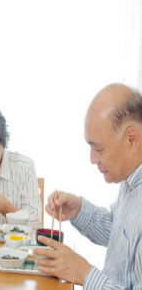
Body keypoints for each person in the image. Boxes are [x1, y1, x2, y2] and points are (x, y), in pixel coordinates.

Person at [34, 84, 142, 288]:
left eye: (99, 149)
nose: (93, 159)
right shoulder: (131, 181)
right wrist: (79, 210)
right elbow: (122, 236)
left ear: (131, 140)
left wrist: (84, 273)